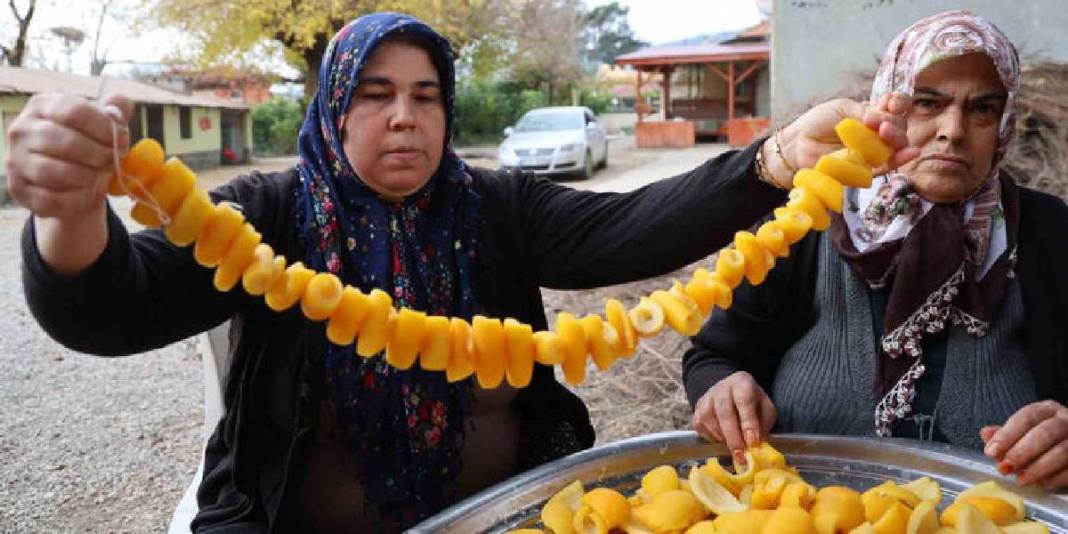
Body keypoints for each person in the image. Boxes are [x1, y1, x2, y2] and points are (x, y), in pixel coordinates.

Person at [10, 13, 912, 532]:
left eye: (426, 95)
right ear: (331, 107)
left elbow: (632, 229)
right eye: (375, 94)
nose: (405, 118)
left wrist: (771, 161)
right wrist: (69, 213)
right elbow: (114, 310)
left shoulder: (500, 209)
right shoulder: (262, 216)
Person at [685, 10, 1068, 492]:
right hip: (812, 516)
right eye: (928, 103)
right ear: (888, 109)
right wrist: (721, 390)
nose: (953, 130)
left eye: (982, 110)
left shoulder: (1049, 232)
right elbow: (714, 355)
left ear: (1005, 123)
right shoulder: (809, 216)